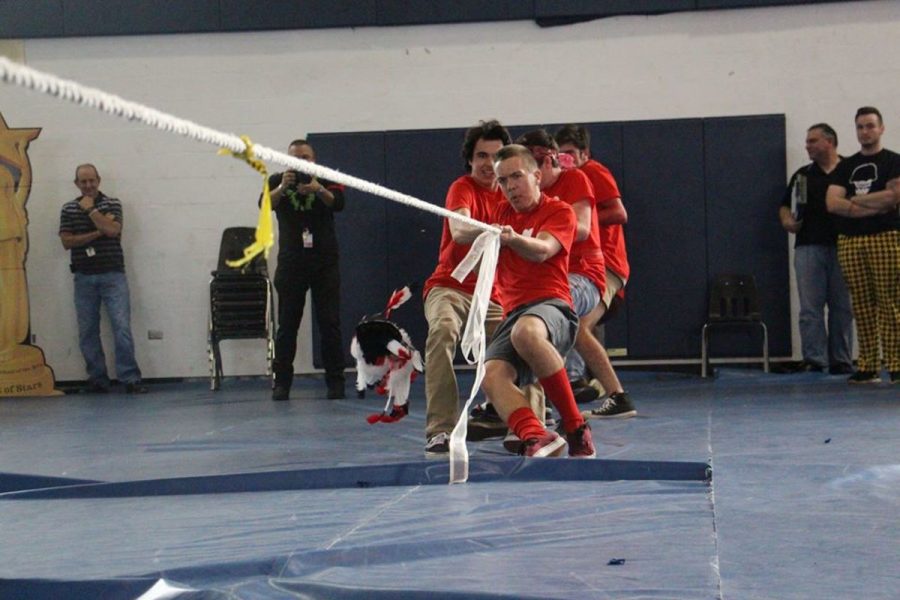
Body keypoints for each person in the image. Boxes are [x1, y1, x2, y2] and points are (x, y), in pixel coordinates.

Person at [479, 144, 595, 458]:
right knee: (491, 376)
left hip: (552, 305)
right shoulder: (501, 213)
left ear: (536, 175)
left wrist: (513, 238)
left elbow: (542, 250)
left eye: (516, 176)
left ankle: (575, 427)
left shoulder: (559, 211)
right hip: (514, 313)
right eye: (502, 181)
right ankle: (536, 435)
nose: (510, 186)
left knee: (525, 333)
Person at [422, 120, 510, 456]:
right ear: (470, 161)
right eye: (481, 156)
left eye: (496, 155)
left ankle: (525, 424)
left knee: (525, 338)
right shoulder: (462, 188)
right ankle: (440, 430)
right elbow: (459, 230)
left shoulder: (510, 193)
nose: (488, 163)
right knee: (443, 330)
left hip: (494, 294)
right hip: (450, 286)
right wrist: (494, 230)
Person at [552, 125, 637, 418]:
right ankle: (596, 388)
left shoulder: (593, 172)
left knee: (571, 321)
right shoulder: (563, 180)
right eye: (560, 154)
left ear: (585, 154)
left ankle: (578, 381)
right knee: (574, 324)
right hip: (579, 266)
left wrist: (579, 217)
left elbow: (619, 213)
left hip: (606, 264)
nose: (566, 160)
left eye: (571, 154)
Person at [825, 107, 900, 384]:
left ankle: (895, 363)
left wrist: (854, 201)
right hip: (850, 242)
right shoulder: (846, 166)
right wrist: (873, 203)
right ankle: (867, 364)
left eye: (870, 126)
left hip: (886, 238)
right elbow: (832, 203)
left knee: (890, 302)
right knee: (861, 305)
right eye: (860, 127)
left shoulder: (893, 161)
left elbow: (894, 198)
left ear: (881, 128)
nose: (864, 132)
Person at [268, 139, 347, 400]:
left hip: (324, 262)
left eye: (305, 157)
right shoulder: (277, 180)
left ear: (314, 160)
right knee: (287, 326)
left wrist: (317, 190)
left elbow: (339, 203)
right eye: (295, 158)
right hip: (292, 263)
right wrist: (283, 187)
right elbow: (264, 205)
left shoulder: (326, 178)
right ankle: (282, 384)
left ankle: (335, 382)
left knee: (330, 323)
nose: (301, 162)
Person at [58, 164, 147, 394]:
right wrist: (99, 230)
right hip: (83, 276)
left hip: (113, 275)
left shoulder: (113, 203)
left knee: (122, 328)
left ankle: (130, 378)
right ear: (76, 183)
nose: (88, 185)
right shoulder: (68, 208)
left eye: (92, 180)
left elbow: (114, 230)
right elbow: (67, 241)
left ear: (99, 180)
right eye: (83, 181)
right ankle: (98, 380)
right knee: (87, 330)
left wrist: (91, 211)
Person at [778, 123, 853, 374]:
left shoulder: (850, 171)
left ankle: (841, 359)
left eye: (812, 141)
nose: (807, 146)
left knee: (843, 307)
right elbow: (784, 205)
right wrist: (787, 220)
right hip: (809, 246)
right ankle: (814, 358)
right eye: (807, 141)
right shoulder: (802, 175)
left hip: (844, 245)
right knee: (810, 308)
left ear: (829, 142)